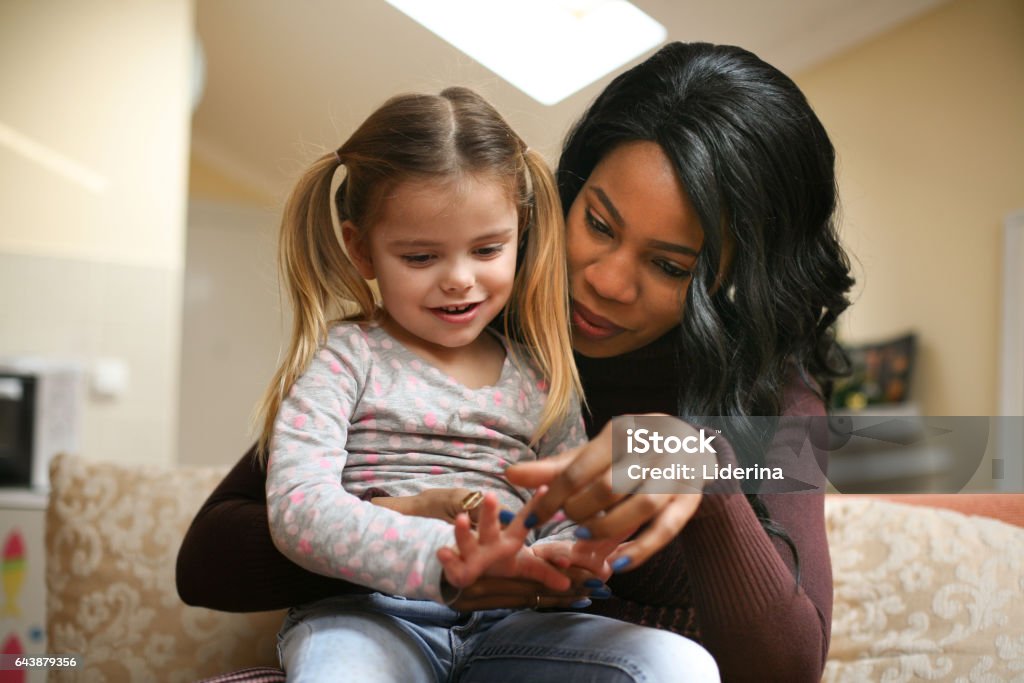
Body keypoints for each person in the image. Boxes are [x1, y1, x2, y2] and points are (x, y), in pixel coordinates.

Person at [178, 41, 853, 682]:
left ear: (742, 275)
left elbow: (788, 669)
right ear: (568, 192)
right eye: (599, 224)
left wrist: (704, 478)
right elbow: (208, 559)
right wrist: (413, 527)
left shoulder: (777, 402)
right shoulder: (465, 318)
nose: (607, 280)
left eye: (670, 264)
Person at [252, 86, 720, 682]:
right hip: (371, 616)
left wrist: (561, 559)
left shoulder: (541, 374)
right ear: (361, 250)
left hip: (516, 625)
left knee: (680, 667)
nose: (459, 279)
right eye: (421, 257)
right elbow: (299, 509)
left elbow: (564, 513)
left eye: (487, 249)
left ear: (520, 232)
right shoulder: (344, 358)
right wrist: (441, 560)